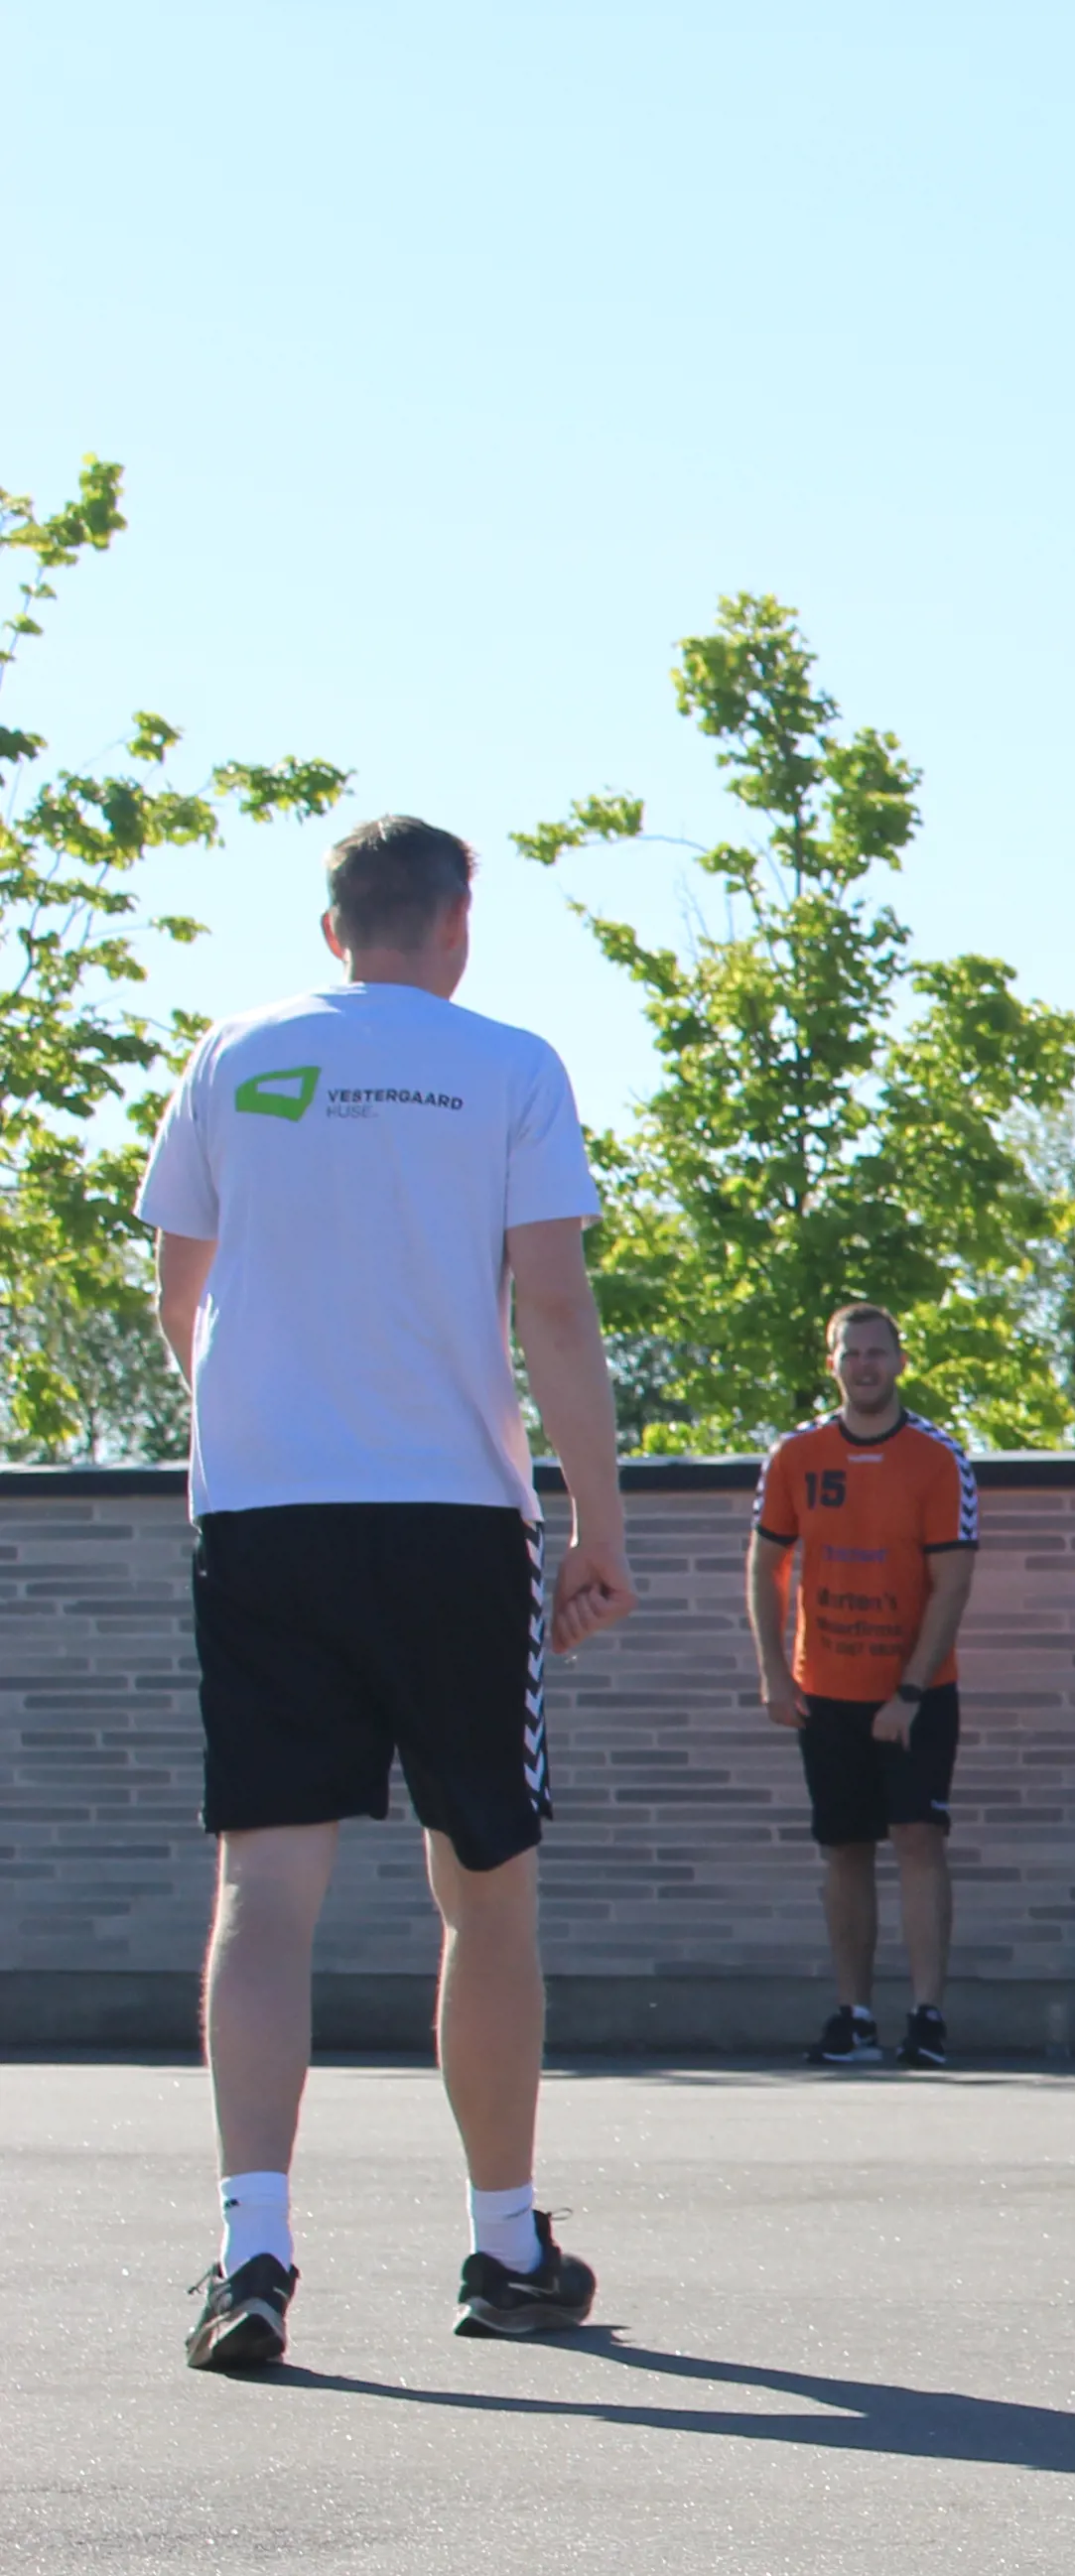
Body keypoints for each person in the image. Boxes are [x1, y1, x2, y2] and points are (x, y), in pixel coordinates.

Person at [136, 816, 634, 2371]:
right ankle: (501, 2249)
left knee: (262, 1893)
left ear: (334, 926)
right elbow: (550, 1304)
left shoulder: (236, 1055)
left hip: (271, 1517)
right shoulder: (509, 1065)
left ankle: (254, 2255)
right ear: (456, 924)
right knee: (484, 1888)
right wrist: (596, 1523)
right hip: (446, 1525)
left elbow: (180, 1293)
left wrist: (260, 1430)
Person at [752, 1304, 977, 2070]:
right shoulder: (795, 1456)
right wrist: (776, 1672)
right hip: (826, 1691)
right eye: (852, 1354)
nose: (865, 1366)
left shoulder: (938, 1458)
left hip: (914, 1693)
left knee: (918, 1838)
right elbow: (766, 1566)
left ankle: (927, 2018)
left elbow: (952, 1583)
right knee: (843, 1848)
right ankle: (852, 2016)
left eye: (878, 1353)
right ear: (834, 1364)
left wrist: (908, 1693)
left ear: (901, 1362)